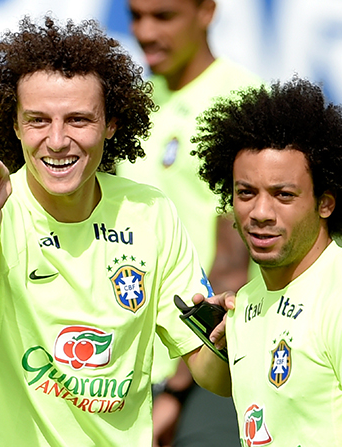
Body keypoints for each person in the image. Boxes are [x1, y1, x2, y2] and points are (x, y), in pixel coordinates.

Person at [0, 15, 229, 447]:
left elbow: (209, 372)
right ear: (14, 125)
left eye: (78, 120)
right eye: (37, 120)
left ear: (111, 124)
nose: (56, 139)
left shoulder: (150, 212)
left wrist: (226, 343)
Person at [191, 77, 342, 446]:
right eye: (245, 193)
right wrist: (219, 338)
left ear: (325, 203)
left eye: (283, 195)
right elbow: (213, 378)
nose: (260, 212)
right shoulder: (247, 301)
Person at [117, 1, 262, 445]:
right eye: (136, 15)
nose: (144, 31)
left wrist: (175, 390)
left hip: (202, 360)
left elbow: (233, 265)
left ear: (206, 11)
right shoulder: (133, 101)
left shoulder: (241, 102)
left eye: (163, 16)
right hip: (122, 358)